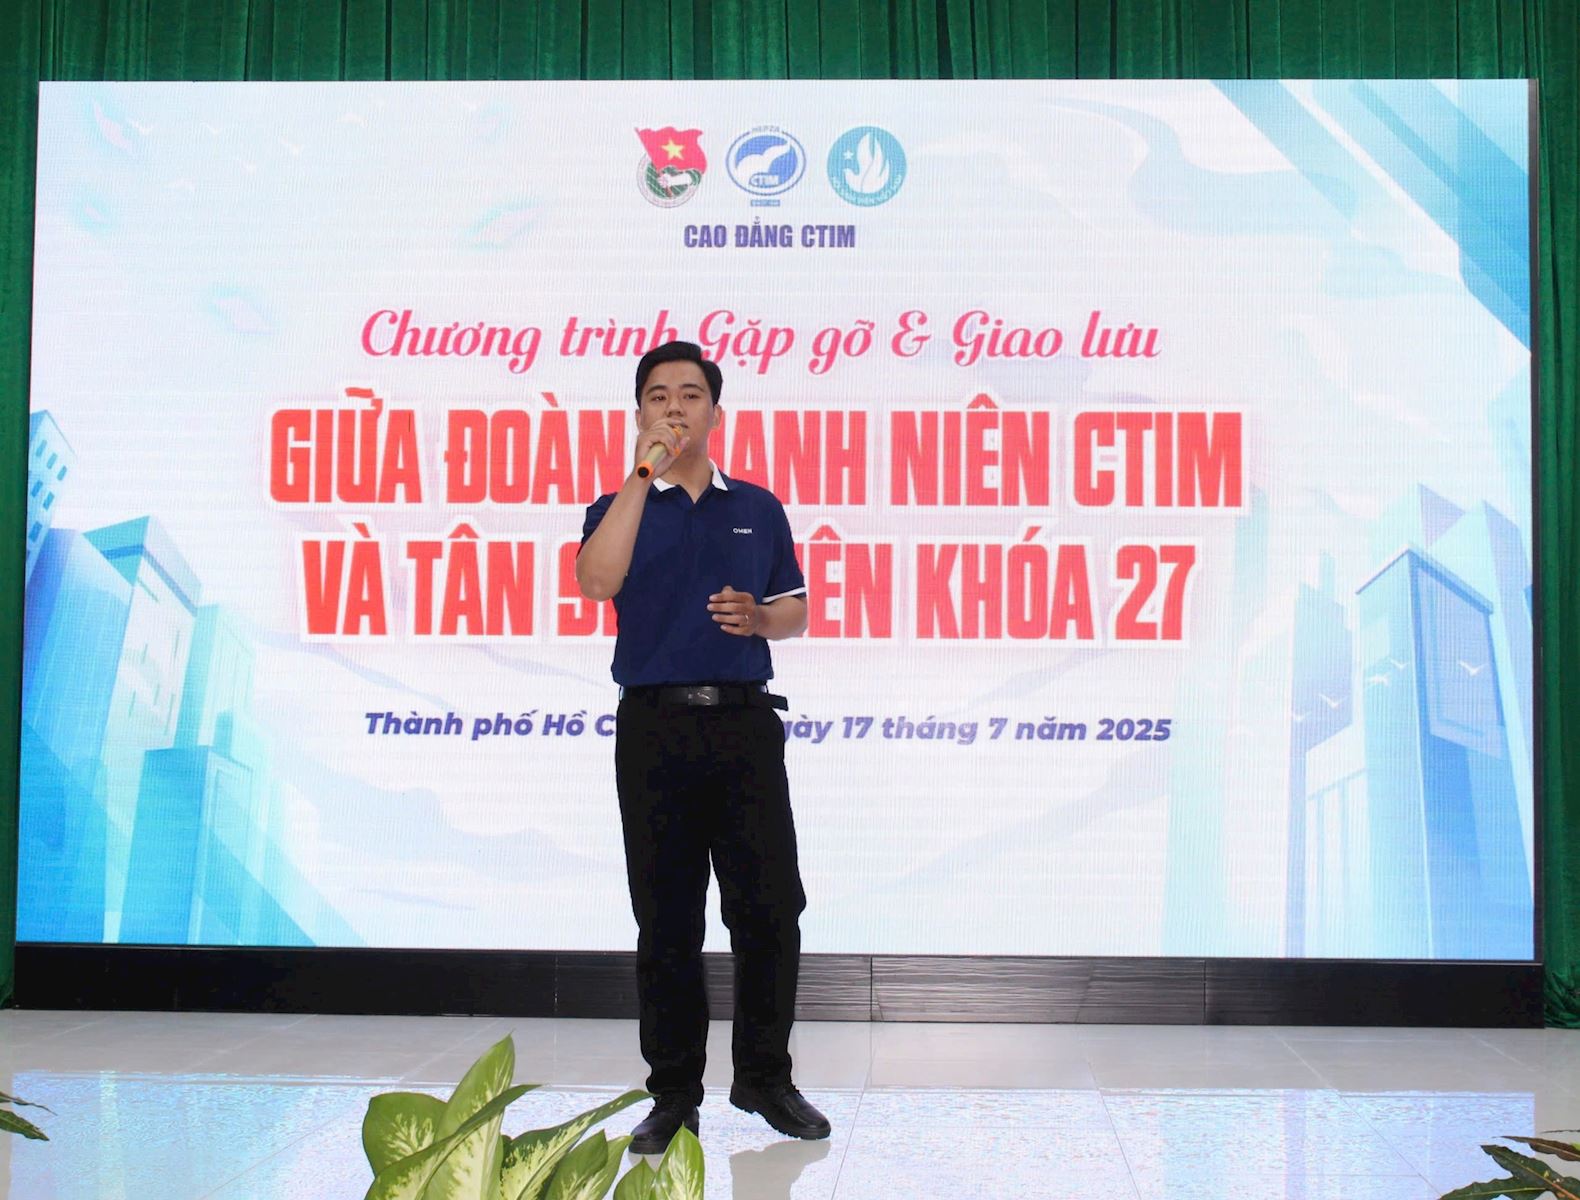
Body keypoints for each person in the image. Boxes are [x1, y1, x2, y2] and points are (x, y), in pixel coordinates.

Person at [577, 340, 831, 1153]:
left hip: (744, 725)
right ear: (639, 413)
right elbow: (596, 581)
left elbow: (795, 610)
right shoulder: (616, 505)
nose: (675, 408)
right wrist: (640, 476)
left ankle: (764, 1079)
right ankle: (673, 1094)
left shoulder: (756, 505)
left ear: (716, 413)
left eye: (690, 395)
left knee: (770, 909)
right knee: (667, 919)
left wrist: (759, 618)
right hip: (654, 729)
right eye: (658, 396)